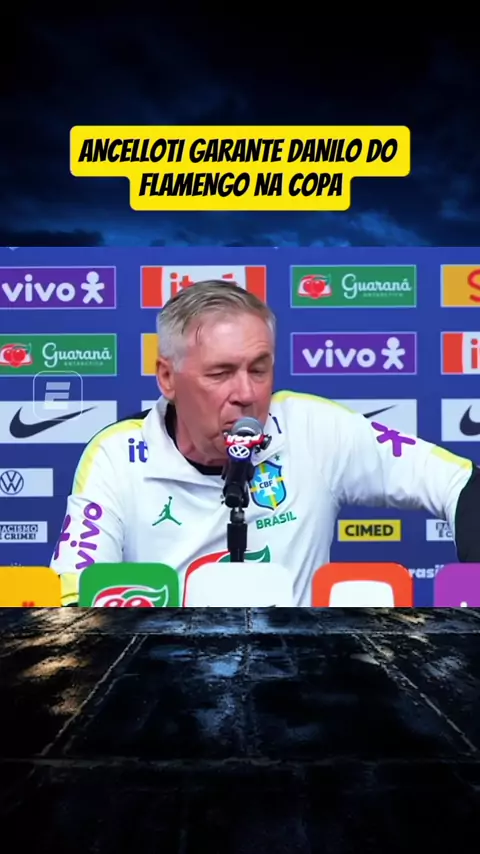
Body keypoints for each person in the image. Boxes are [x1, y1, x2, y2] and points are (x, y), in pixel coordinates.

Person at [51, 280, 480, 606]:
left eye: (259, 370)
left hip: (296, 683)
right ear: (167, 378)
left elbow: (459, 482)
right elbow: (72, 598)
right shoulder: (117, 455)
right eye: (220, 373)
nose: (246, 394)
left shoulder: (313, 428)